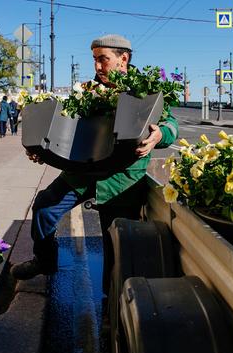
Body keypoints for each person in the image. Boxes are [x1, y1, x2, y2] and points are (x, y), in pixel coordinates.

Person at [11, 34, 179, 296]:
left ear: (123, 59)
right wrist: (42, 149)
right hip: (82, 172)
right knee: (45, 206)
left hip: (121, 180)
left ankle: (111, 304)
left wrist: (159, 135)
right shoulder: (88, 90)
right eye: (95, 60)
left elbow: (170, 125)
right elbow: (64, 126)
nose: (98, 66)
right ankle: (45, 261)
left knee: (116, 245)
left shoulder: (144, 89)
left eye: (103, 59)